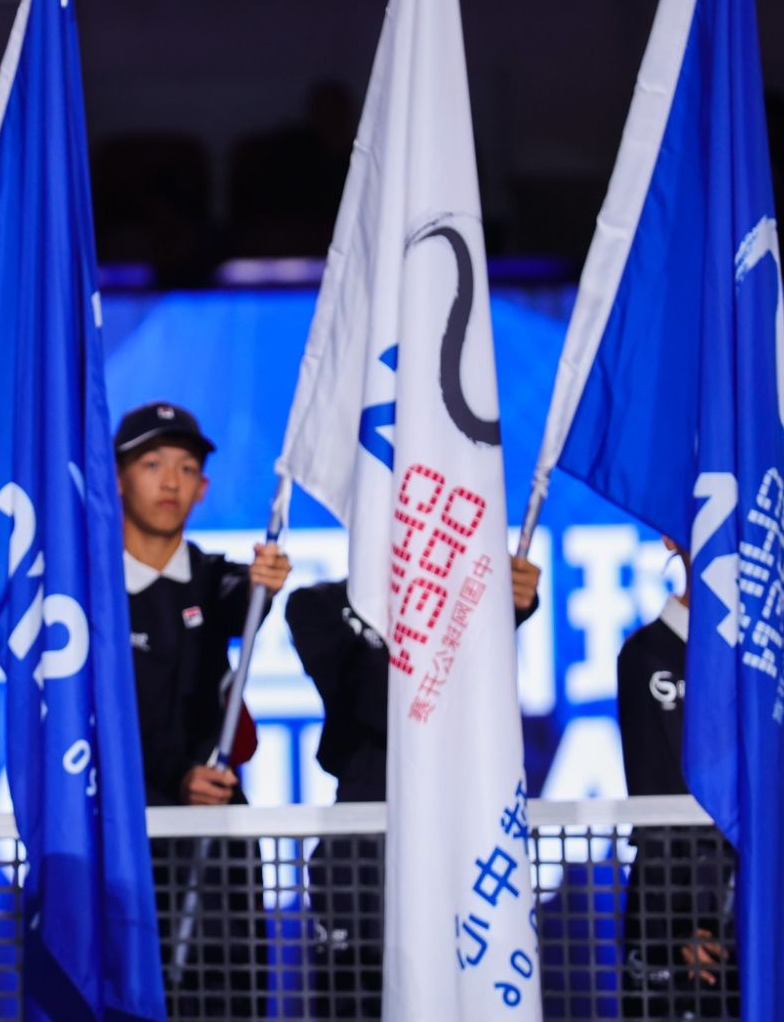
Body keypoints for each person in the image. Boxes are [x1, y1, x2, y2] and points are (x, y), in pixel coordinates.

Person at [286, 554, 541, 1018]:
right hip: (361, 830)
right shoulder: (318, 606)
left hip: (458, 827)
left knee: (463, 995)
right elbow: (375, 705)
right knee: (353, 997)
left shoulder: (468, 600)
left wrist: (507, 607)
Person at [614, 536, 784, 1019]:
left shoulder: (770, 646)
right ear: (671, 538)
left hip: (763, 895)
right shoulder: (644, 654)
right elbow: (655, 802)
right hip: (673, 914)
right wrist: (680, 922)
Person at [113, 401, 290, 1016]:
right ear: (116, 478)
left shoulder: (218, 581)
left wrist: (267, 584)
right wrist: (169, 778)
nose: (170, 481)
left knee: (229, 998)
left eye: (187, 468)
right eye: (152, 463)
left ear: (203, 488)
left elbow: (248, 600)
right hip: (119, 835)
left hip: (214, 838)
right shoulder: (85, 594)